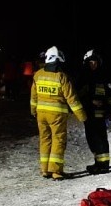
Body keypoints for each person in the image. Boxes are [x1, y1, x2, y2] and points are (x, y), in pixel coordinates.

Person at [29, 45, 87, 180]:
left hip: (41, 114)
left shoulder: (38, 75)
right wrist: (82, 116)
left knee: (44, 140)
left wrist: (33, 111)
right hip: (57, 116)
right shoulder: (62, 76)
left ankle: (44, 170)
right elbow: (72, 98)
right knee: (58, 141)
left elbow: (33, 97)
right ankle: (56, 171)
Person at [77, 48, 111, 174]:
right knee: (91, 139)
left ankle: (103, 165)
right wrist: (90, 102)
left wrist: (109, 109)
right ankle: (98, 163)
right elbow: (78, 96)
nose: (93, 64)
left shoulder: (105, 78)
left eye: (95, 61)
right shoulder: (83, 78)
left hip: (101, 115)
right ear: (86, 63)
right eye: (90, 62)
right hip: (88, 114)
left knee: (100, 139)